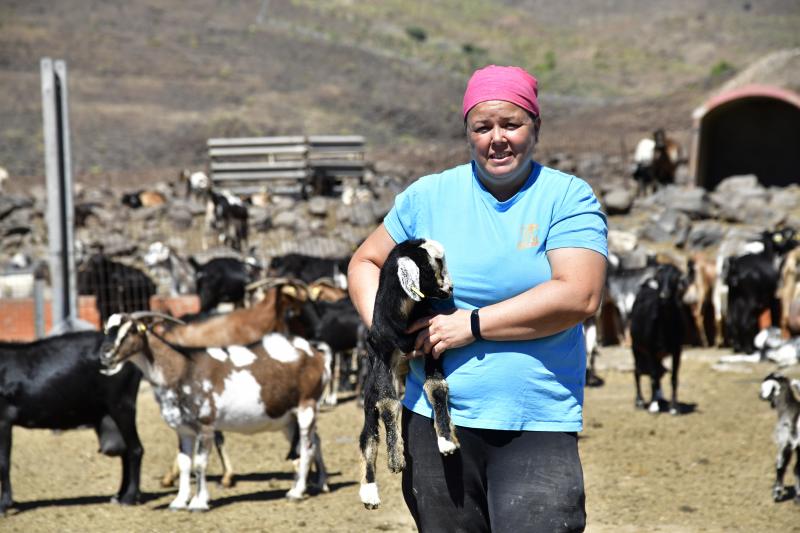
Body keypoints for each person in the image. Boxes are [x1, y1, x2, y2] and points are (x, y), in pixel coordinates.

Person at [348, 64, 608, 533]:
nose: (497, 139)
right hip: (432, 421)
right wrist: (388, 333)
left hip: (536, 421)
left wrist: (469, 325)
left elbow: (580, 294)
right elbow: (365, 263)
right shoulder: (429, 196)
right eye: (482, 127)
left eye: (511, 124)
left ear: (536, 127)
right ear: (468, 132)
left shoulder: (566, 197)